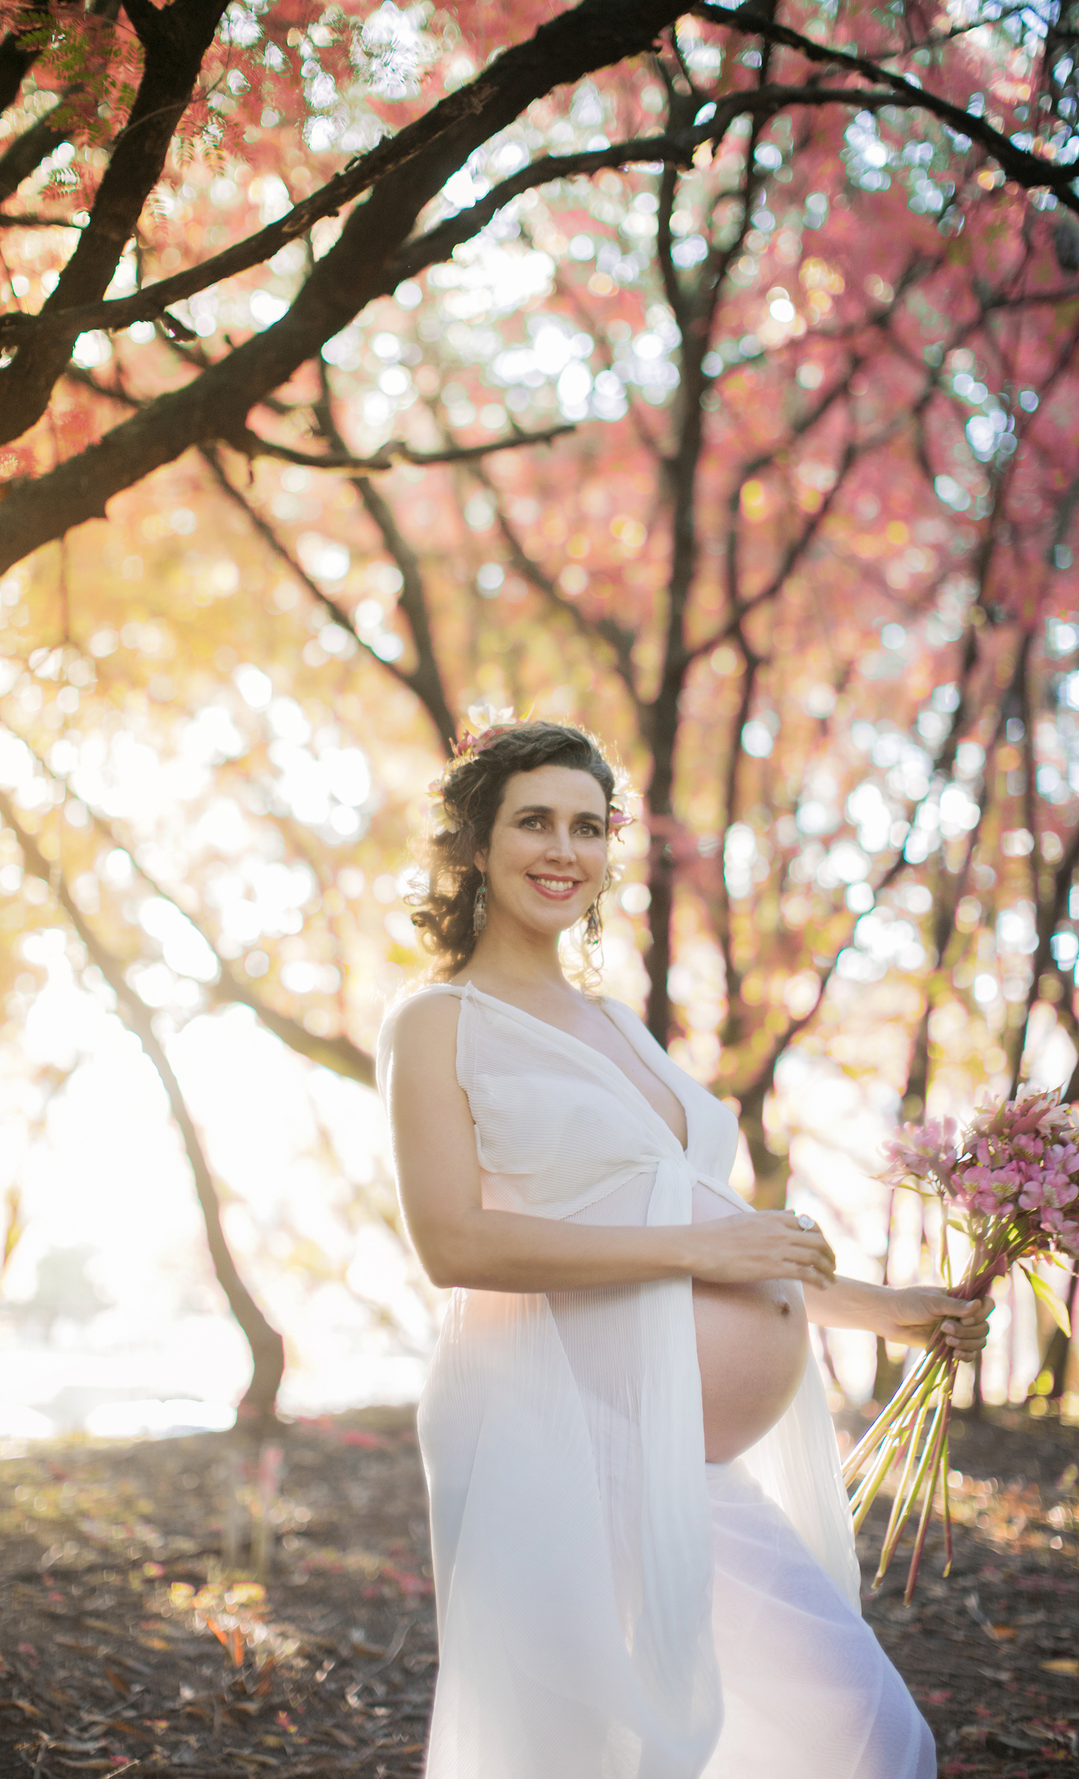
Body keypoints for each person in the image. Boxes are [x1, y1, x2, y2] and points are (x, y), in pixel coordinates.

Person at [375, 719, 989, 1779]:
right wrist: (707, 1248)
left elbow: (717, 1241)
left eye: (586, 825)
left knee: (794, 1737)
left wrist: (889, 1307)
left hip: (671, 1441)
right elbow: (455, 1243)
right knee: (855, 1734)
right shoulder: (438, 1021)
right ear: (476, 843)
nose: (563, 849)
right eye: (533, 822)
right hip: (571, 1427)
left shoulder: (614, 1022)